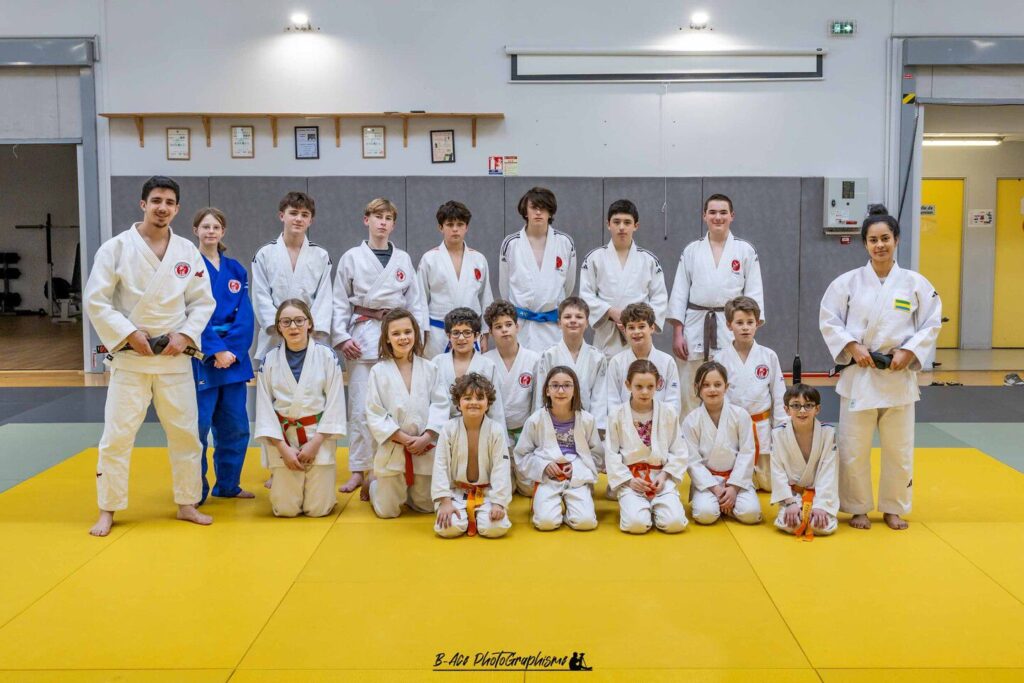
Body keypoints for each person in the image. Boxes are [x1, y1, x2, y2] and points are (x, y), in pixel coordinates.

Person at [84, 175, 215, 536]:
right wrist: (128, 333)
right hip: (131, 358)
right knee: (117, 436)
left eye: (169, 202)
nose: (162, 208)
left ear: (177, 208)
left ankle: (187, 503)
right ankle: (107, 508)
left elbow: (202, 301)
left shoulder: (187, 251)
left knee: (186, 435)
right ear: (143, 204)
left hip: (174, 357)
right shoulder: (115, 248)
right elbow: (96, 300)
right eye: (156, 200)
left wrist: (185, 335)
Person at [819, 205, 942, 531]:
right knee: (854, 448)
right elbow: (829, 319)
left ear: (896, 239)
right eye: (873, 240)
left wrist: (910, 351)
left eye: (885, 238)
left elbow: (931, 323)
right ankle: (857, 507)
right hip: (860, 374)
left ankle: (893, 507)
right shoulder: (847, 283)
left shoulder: (915, 283)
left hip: (897, 375)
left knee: (899, 449)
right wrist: (852, 346)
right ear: (865, 244)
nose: (880, 245)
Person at [333, 198, 428, 500]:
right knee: (361, 408)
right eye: (377, 217)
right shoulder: (351, 257)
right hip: (363, 337)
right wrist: (341, 337)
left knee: (394, 406)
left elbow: (415, 301)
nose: (382, 222)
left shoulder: (403, 259)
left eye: (388, 218)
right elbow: (339, 299)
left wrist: (417, 336)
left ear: (393, 224)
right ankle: (359, 469)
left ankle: (386, 467)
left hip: (397, 336)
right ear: (367, 220)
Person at [666, 194, 765, 415]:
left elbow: (754, 294)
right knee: (690, 387)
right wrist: (678, 332)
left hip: (730, 326)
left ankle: (728, 432)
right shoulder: (692, 250)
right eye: (712, 212)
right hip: (695, 324)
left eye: (723, 212)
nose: (717, 217)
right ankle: (689, 433)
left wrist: (747, 331)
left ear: (732, 216)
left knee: (729, 384)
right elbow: (679, 293)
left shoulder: (745, 250)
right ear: (704, 216)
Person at [254, 299, 346, 518]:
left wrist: (315, 443)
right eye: (286, 322)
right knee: (285, 510)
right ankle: (282, 478)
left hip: (318, 437)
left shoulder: (327, 356)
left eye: (299, 320)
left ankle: (322, 490)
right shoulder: (269, 360)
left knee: (318, 510)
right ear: (279, 327)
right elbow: (265, 408)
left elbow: (335, 402)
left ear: (309, 323)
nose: (293, 327)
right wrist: (282, 448)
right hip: (284, 440)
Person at [191, 207, 255, 502]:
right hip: (201, 357)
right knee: (198, 428)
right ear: (196, 231)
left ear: (223, 232)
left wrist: (231, 351)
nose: (211, 231)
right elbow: (188, 313)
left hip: (233, 360)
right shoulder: (188, 268)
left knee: (236, 427)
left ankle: (228, 485)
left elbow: (245, 315)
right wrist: (215, 350)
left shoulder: (236, 270)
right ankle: (195, 491)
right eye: (205, 226)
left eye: (216, 227)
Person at [365, 309, 449, 519]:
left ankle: (408, 492)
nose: (403, 338)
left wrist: (427, 437)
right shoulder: (378, 371)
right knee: (387, 511)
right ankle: (373, 484)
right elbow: (374, 412)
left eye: (407, 332)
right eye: (396, 333)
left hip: (423, 448)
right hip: (394, 446)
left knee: (426, 506)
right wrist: (403, 438)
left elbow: (440, 405)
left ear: (415, 334)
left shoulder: (430, 368)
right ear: (387, 338)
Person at [605, 360, 689, 534]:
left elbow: (679, 450)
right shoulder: (616, 414)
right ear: (628, 385)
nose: (645, 392)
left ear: (658, 385)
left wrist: (665, 475)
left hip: (660, 479)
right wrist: (629, 480)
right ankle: (638, 508)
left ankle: (655, 508)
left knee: (675, 524)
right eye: (639, 386)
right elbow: (611, 453)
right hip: (631, 480)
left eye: (650, 386)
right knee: (636, 525)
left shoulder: (668, 412)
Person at [514, 366, 602, 531]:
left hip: (577, 478)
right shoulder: (535, 420)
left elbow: (597, 456)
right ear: (547, 391)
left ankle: (571, 512)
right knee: (545, 523)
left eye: (567, 385)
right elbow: (522, 455)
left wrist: (576, 468)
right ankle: (549, 507)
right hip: (548, 478)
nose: (561, 391)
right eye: (555, 385)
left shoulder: (587, 420)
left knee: (586, 522)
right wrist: (544, 465)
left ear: (575, 390)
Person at [579, 199, 668, 359]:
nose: (621, 227)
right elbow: (585, 295)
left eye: (627, 222)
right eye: (616, 222)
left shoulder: (648, 260)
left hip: (638, 333)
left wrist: (638, 320)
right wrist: (610, 311)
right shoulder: (594, 258)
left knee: (640, 372)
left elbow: (660, 297)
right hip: (607, 334)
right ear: (608, 224)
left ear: (636, 226)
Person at [251, 191, 333, 361]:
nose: (298, 219)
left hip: (309, 334)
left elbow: (324, 299)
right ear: (282, 216)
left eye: (305, 215)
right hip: (275, 334)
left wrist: (309, 327)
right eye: (293, 213)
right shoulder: (264, 254)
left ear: (310, 221)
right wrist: (279, 325)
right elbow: (260, 296)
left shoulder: (321, 256)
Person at [716, 296, 786, 492]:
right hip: (734, 427)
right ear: (729, 325)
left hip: (761, 426)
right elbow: (717, 397)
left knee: (769, 485)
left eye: (750, 322)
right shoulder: (720, 358)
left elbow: (779, 395)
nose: (745, 328)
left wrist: (781, 429)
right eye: (739, 323)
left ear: (757, 323)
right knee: (736, 481)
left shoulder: (768, 356)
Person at [432, 373, 512, 538]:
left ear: (488, 403)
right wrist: (445, 501)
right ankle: (465, 515)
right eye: (467, 398)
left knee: (495, 528)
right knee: (448, 529)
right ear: (458, 402)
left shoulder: (496, 430)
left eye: (480, 398)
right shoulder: (448, 429)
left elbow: (501, 468)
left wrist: (498, 503)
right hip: (456, 493)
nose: (474, 402)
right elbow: (440, 465)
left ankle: (481, 514)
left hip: (487, 493)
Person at [682, 361, 761, 525]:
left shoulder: (741, 415)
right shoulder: (691, 421)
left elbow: (747, 452)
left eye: (717, 384)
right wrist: (716, 489)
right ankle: (723, 504)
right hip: (708, 482)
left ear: (726, 386)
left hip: (737, 479)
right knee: (705, 515)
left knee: (751, 514)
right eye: (706, 385)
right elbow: (692, 461)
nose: (712, 389)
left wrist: (734, 487)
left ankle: (725, 503)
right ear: (697, 387)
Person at [498, 187, 576, 351]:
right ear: (525, 211)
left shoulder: (565, 243)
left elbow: (568, 285)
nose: (538, 212)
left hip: (552, 324)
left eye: (544, 208)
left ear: (550, 212)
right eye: (534, 207)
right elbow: (504, 287)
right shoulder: (511, 243)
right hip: (521, 323)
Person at [417, 200, 495, 359]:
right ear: (440, 227)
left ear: (466, 227)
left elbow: (486, 298)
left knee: (471, 373)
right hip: (438, 333)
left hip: (470, 333)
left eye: (460, 224)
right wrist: (422, 333)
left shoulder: (478, 259)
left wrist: (485, 333)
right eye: (450, 224)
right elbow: (420, 300)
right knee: (437, 372)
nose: (455, 229)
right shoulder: (429, 259)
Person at [483, 300, 541, 494]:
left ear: (517, 326)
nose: (504, 330)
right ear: (491, 332)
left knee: (528, 489)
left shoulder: (533, 359)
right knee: (503, 489)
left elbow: (538, 402)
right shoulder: (485, 362)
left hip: (526, 434)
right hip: (496, 434)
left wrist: (534, 434)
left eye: (508, 324)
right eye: (498, 327)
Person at [770, 384, 839, 538]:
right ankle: (792, 507)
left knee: (819, 527)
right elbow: (777, 471)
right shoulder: (778, 434)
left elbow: (829, 471)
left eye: (808, 405)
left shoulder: (828, 433)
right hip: (792, 494)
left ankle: (821, 509)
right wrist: (790, 502)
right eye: (796, 406)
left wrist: (821, 505)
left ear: (817, 409)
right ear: (786, 409)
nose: (802, 411)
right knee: (792, 525)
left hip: (820, 493)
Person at [533, 297, 607, 427]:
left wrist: (596, 428)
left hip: (587, 425)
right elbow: (541, 394)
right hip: (554, 424)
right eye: (567, 317)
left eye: (579, 317)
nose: (573, 320)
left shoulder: (597, 357)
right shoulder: (548, 355)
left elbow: (599, 398)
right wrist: (543, 425)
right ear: (559, 323)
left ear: (587, 323)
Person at [605, 302, 680, 422]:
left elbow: (673, 403)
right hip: (626, 426)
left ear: (652, 328)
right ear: (624, 330)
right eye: (631, 327)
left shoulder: (667, 362)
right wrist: (627, 425)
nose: (636, 332)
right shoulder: (617, 362)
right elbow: (613, 402)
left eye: (641, 326)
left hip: (660, 426)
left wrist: (657, 425)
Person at [433, 307, 506, 425]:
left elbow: (496, 409)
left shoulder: (488, 365)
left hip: (478, 426)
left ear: (476, 335)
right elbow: (431, 402)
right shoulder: (437, 363)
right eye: (456, 333)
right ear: (448, 335)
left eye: (467, 333)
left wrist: (498, 434)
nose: (461, 338)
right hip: (442, 427)